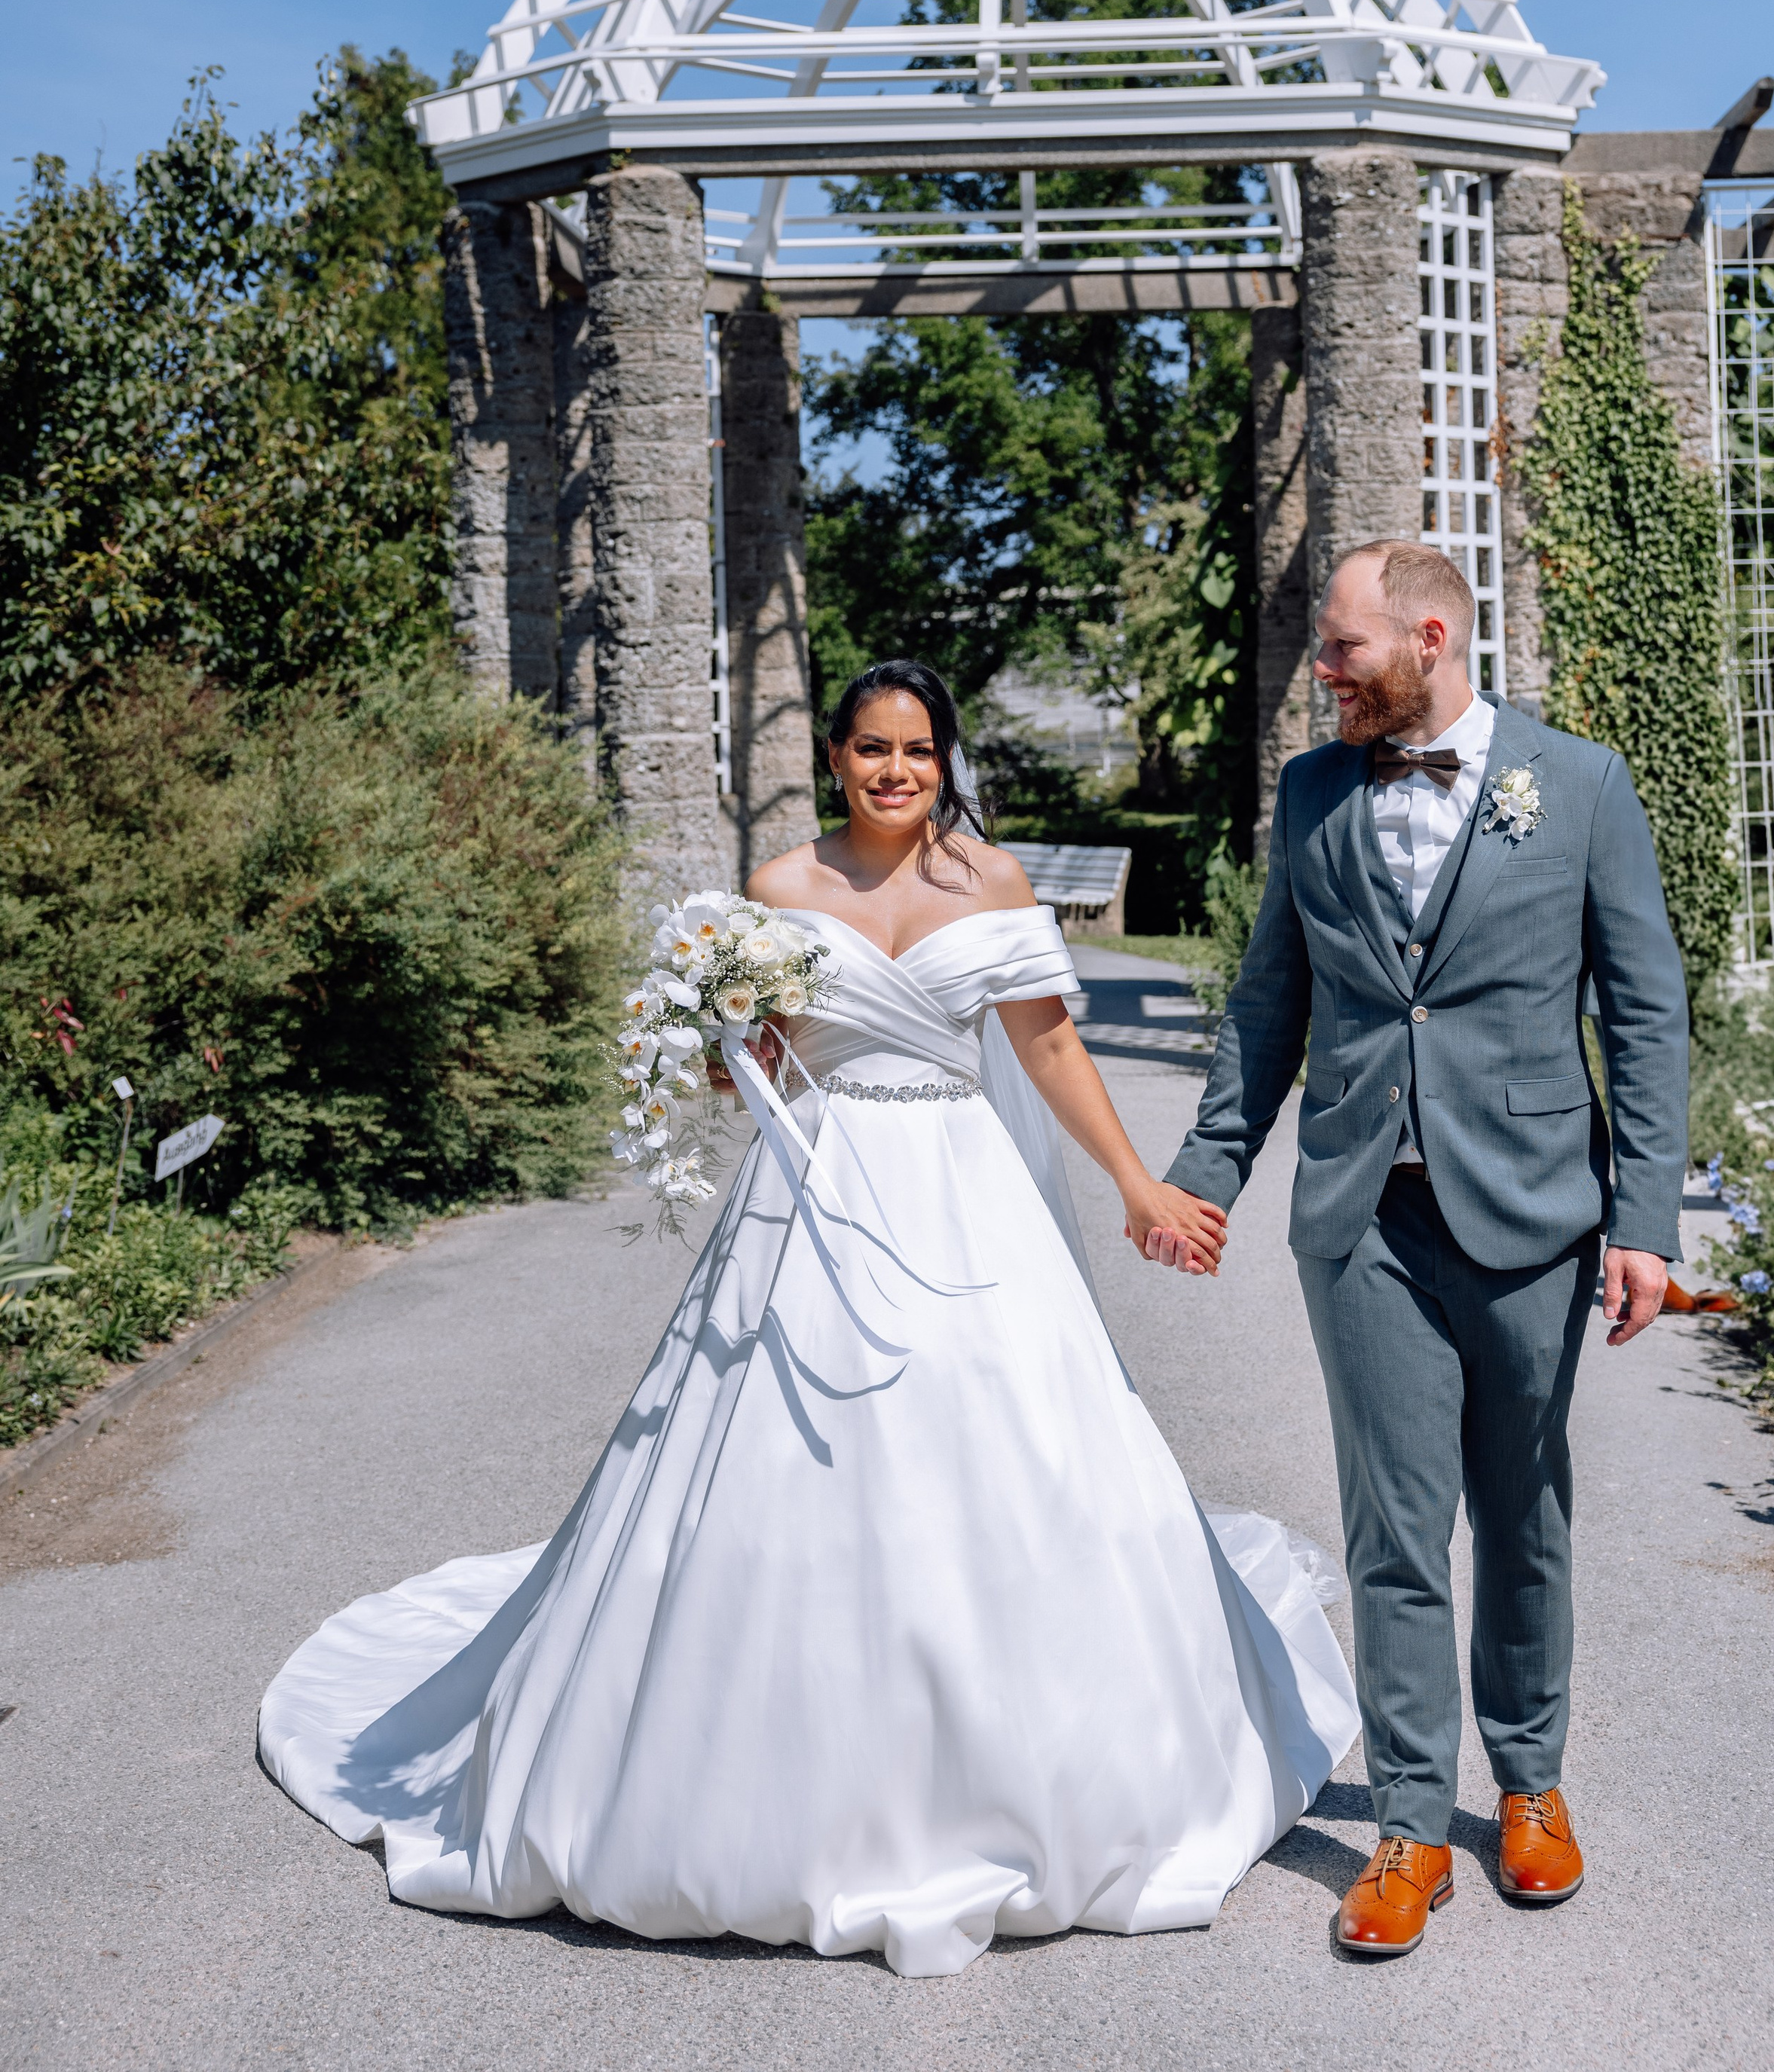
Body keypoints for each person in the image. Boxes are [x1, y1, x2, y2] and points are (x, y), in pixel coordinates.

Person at [259, 658, 1356, 1979]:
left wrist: (1137, 1187)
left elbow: (1049, 1044)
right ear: (833, 756)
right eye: (873, 749)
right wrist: (726, 1034)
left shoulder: (990, 885)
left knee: (1012, 1446)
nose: (899, 771)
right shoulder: (775, 893)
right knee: (764, 1457)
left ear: (946, 759)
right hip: (813, 1197)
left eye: (921, 750)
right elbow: (766, 1063)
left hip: (962, 1192)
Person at [1159, 542, 1687, 1958]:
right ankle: (1406, 1819)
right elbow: (1271, 996)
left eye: (1339, 650)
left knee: (1523, 1509)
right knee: (1394, 1526)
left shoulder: (1577, 786)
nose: (1318, 674)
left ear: (1429, 637)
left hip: (1529, 1212)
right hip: (1363, 1218)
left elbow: (1643, 1014)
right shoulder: (1313, 789)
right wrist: (1208, 1169)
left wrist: (1644, 1218)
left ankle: (1528, 1785)